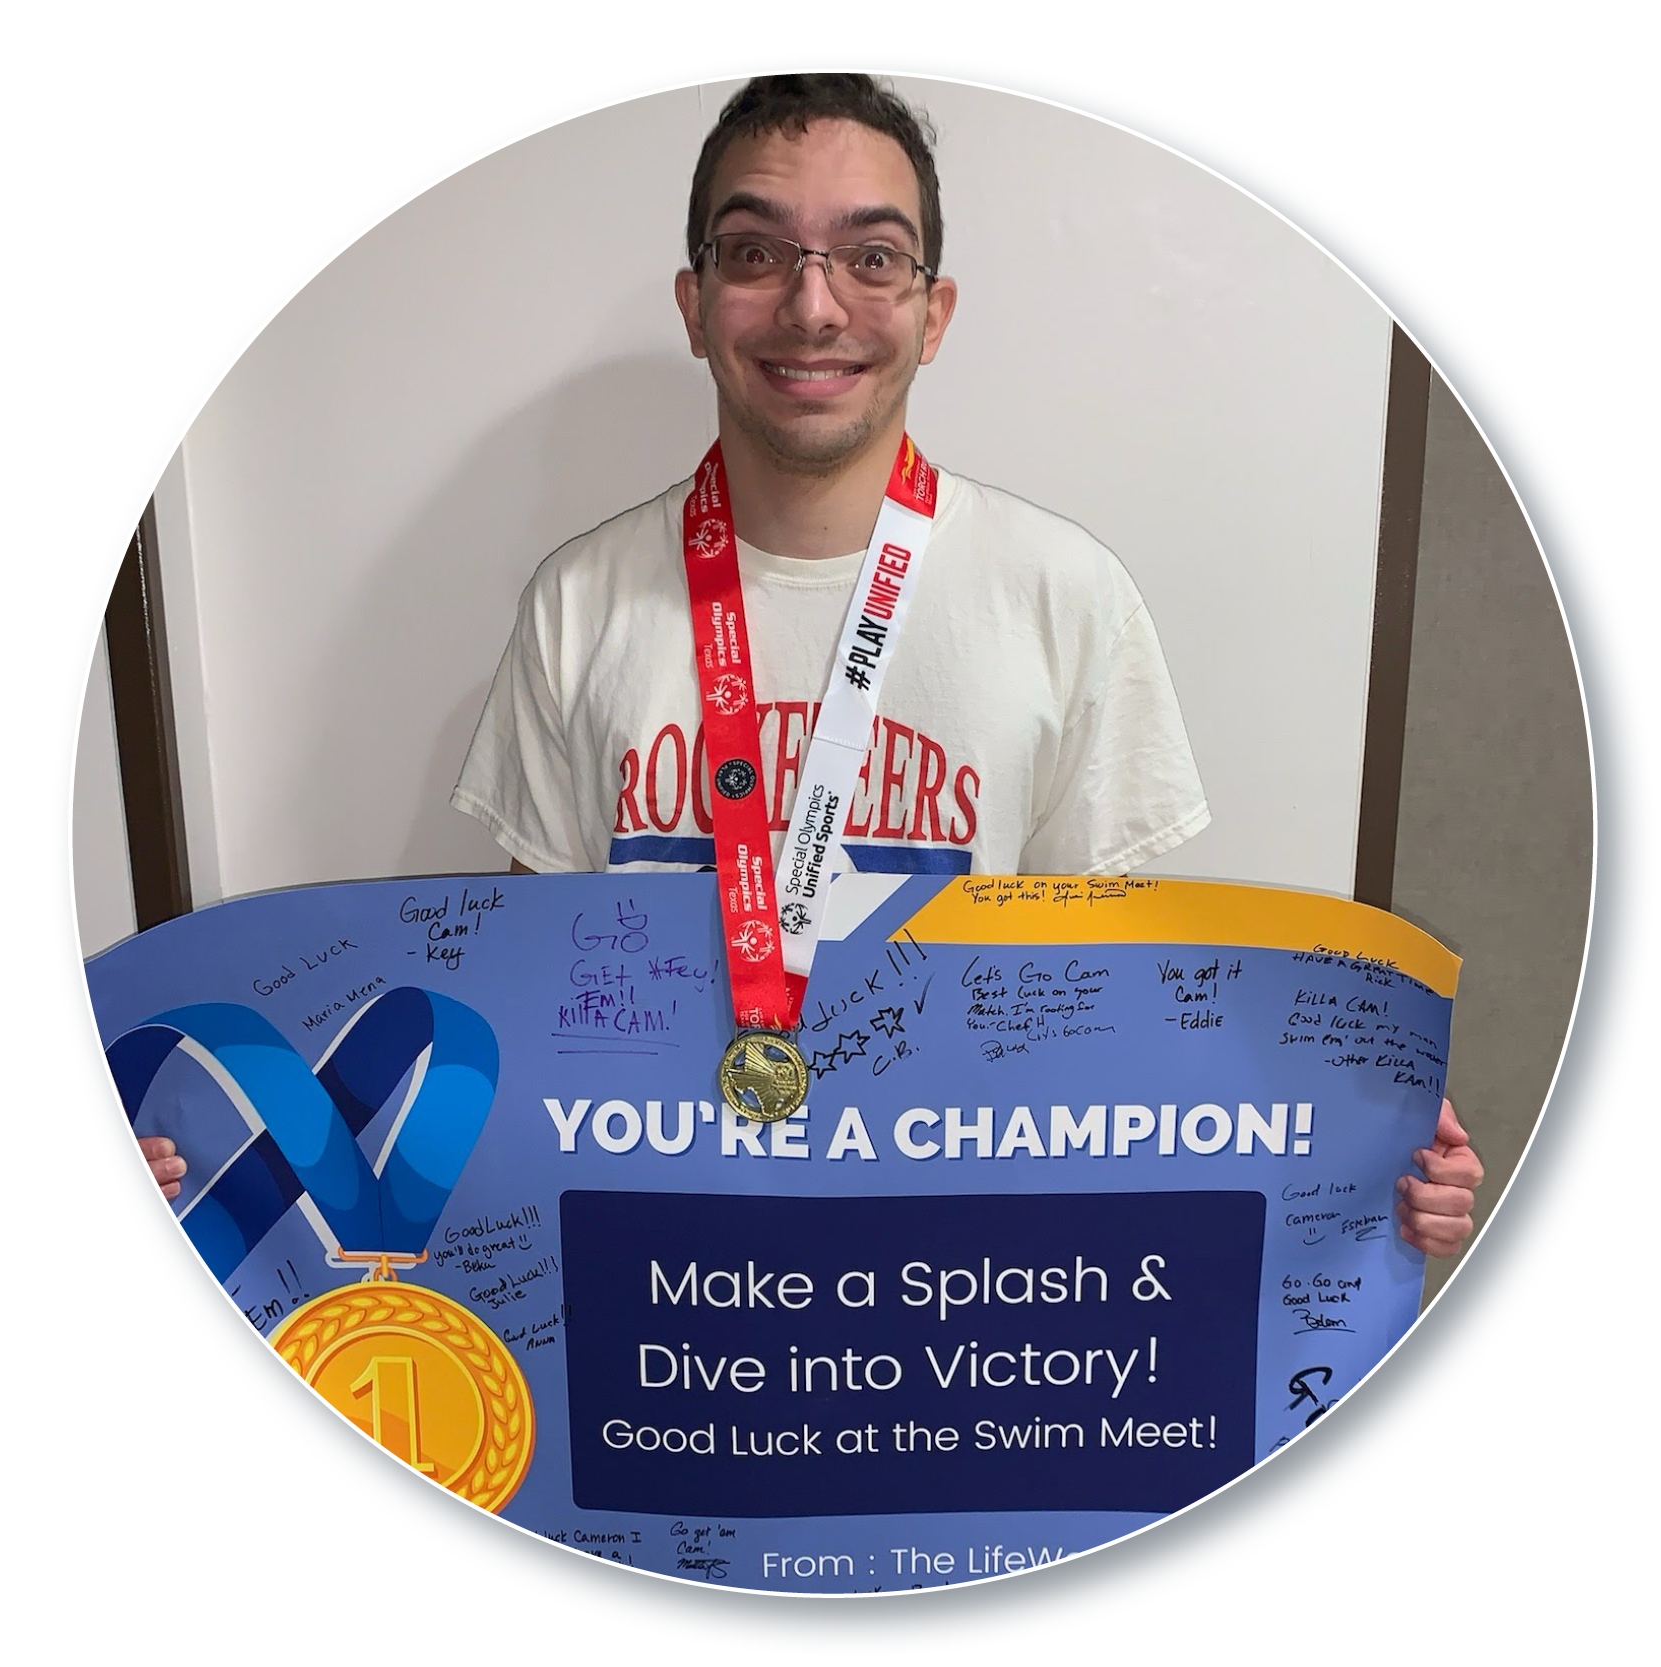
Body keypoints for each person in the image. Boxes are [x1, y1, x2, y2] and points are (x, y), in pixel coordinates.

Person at [149, 74, 1486, 1252]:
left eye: (870, 256)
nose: (810, 303)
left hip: (960, 1263)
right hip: (656, 1258)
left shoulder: (1063, 596)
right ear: (694, 302)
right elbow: (513, 1012)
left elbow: (1120, 1012)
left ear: (933, 308)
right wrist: (217, 1161)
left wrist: (1357, 1145)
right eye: (754, 251)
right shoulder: (581, 599)